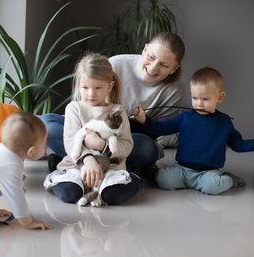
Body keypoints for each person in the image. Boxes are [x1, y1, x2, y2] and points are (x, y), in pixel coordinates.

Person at [41, 32, 187, 178]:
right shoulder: (117, 64)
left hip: (123, 138)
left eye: (164, 65)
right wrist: (90, 140)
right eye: (151, 57)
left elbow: (159, 131)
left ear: (174, 68)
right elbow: (83, 106)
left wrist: (143, 121)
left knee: (147, 148)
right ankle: (96, 163)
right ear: (145, 49)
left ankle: (73, 161)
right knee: (46, 124)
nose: (154, 67)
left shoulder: (176, 89)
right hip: (88, 127)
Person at [132, 67, 254, 195]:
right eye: (195, 98)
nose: (199, 104)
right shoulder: (185, 117)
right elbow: (161, 128)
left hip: (207, 173)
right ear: (191, 93)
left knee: (212, 187)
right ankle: (159, 174)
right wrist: (144, 120)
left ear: (220, 97)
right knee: (164, 181)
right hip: (183, 169)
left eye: (206, 99)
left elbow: (238, 145)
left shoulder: (224, 123)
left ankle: (228, 179)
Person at [43, 53, 143, 205]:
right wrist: (88, 160)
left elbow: (126, 145)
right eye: (85, 87)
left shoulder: (118, 111)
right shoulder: (74, 108)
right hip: (78, 165)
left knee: (112, 196)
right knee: (70, 194)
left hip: (111, 167)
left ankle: (135, 177)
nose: (91, 94)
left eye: (98, 88)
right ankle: (60, 172)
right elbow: (71, 142)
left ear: (109, 86)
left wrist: (102, 146)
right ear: (78, 85)